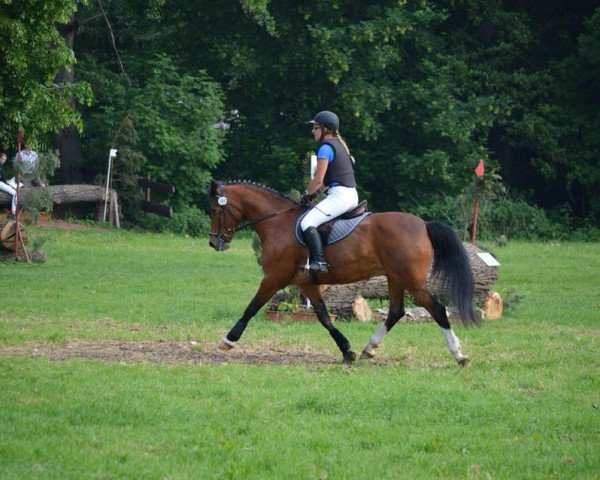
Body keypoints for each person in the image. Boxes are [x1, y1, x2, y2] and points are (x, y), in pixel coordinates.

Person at [299, 111, 359, 272]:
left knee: (306, 222)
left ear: (325, 129)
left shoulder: (325, 148)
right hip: (350, 194)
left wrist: (306, 194)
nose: (313, 131)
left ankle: (319, 261)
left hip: (341, 197)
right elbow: (326, 182)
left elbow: (318, 179)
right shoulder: (339, 145)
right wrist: (315, 194)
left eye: (315, 128)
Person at [0, 152, 17, 216]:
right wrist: (7, 184)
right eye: (2, 158)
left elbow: (2, 177)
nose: (3, 161)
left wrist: (7, 182)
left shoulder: (1, 165)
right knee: (15, 193)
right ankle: (13, 213)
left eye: (4, 160)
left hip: (2, 182)